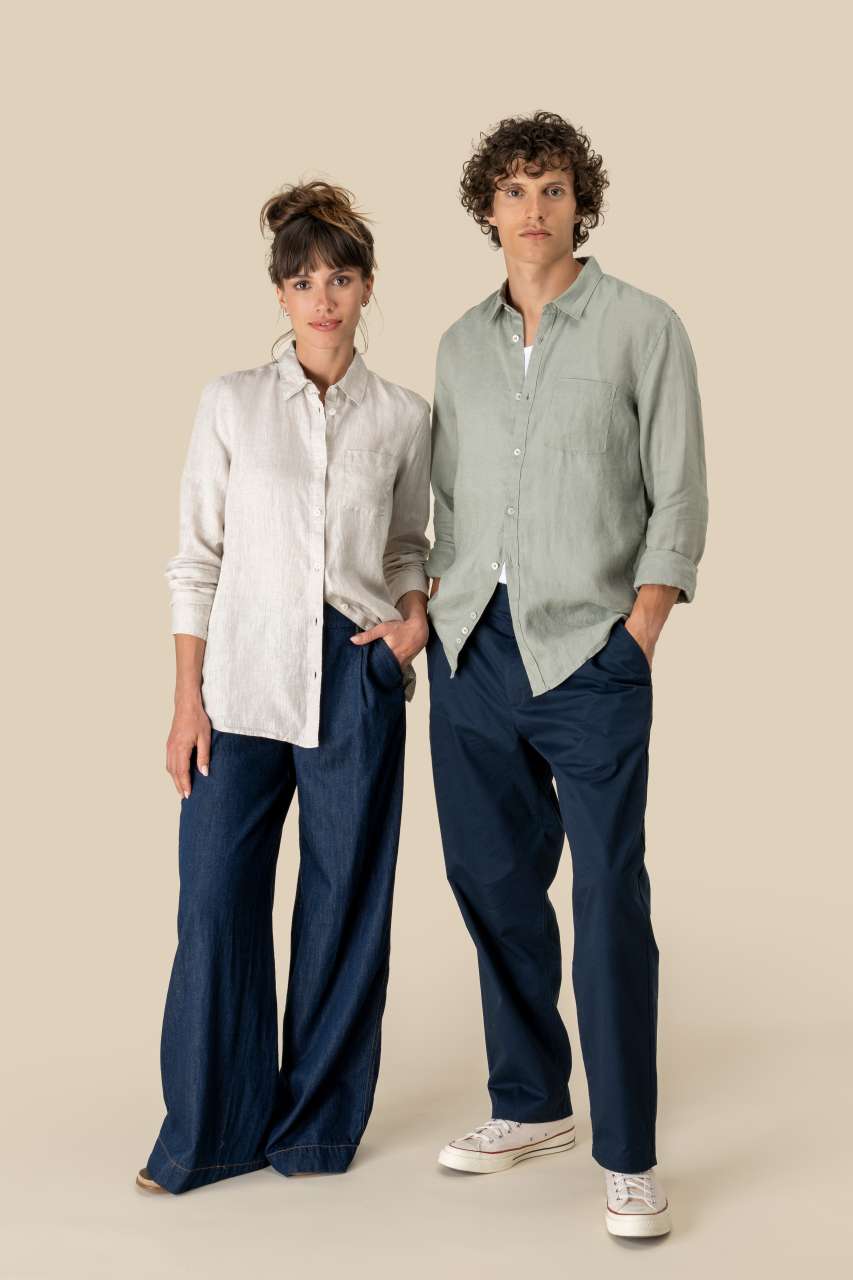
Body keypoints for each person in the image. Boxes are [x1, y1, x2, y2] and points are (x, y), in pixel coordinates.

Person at [424, 111, 709, 1239]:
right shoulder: (458, 345)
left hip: (591, 653)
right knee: (491, 882)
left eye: (550, 188)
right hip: (472, 650)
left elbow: (677, 492)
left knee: (606, 899)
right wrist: (438, 611)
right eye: (512, 190)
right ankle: (530, 1102)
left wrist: (639, 630)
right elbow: (446, 499)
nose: (532, 208)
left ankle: (629, 1156)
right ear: (486, 210)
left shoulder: (644, 326)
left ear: (579, 202)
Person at [136, 180, 431, 1194]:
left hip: (354, 671)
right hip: (240, 674)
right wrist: (187, 700)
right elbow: (196, 558)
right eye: (303, 282)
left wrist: (410, 626)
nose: (323, 299)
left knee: (345, 905)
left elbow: (407, 545)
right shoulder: (230, 403)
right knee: (215, 903)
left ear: (367, 287)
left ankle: (312, 1131)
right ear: (279, 293)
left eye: (340, 279)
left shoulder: (402, 416)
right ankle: (209, 1134)